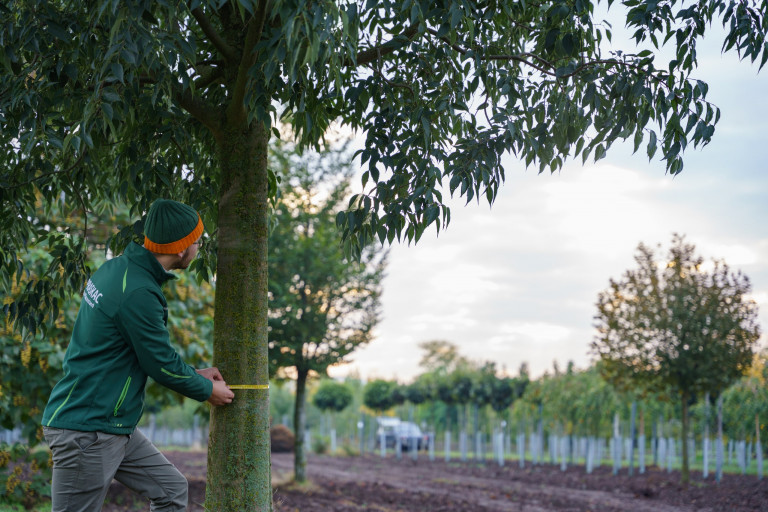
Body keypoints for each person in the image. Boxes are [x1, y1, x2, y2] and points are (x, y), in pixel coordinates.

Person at [41, 199, 235, 512]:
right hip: (87, 431)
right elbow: (158, 361)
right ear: (183, 248)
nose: (199, 248)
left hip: (114, 424)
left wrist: (194, 375)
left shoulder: (117, 269)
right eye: (198, 242)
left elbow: (131, 350)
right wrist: (207, 391)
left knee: (171, 490)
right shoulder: (139, 291)